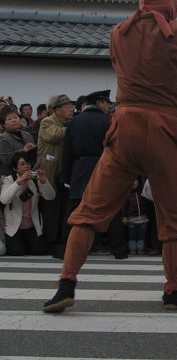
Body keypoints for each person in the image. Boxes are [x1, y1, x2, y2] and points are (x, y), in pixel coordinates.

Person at [42, 0, 177, 313]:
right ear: (167, 8)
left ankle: (66, 283)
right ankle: (171, 291)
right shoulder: (174, 32)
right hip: (162, 129)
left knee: (90, 211)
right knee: (175, 215)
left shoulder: (119, 33)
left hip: (125, 128)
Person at [58, 90, 127, 260]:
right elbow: (117, 148)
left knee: (75, 209)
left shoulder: (74, 122)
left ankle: (65, 248)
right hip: (104, 167)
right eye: (105, 103)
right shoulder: (109, 120)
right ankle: (118, 249)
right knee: (112, 208)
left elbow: (66, 152)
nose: (107, 106)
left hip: (79, 168)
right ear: (99, 103)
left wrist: (66, 177)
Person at [35, 94, 74, 255]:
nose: (71, 109)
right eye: (67, 107)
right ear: (56, 110)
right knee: (51, 210)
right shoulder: (48, 121)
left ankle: (61, 243)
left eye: (71, 106)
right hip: (49, 174)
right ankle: (51, 244)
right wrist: (75, 127)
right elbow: (54, 135)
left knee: (64, 210)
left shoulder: (69, 123)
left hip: (63, 173)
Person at [1, 150, 55, 255]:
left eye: (28, 163)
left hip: (31, 225)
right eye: (22, 164)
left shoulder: (34, 180)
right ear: (15, 168)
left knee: (39, 250)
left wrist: (44, 181)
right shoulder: (9, 180)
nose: (26, 166)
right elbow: (4, 199)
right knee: (17, 251)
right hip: (14, 226)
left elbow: (50, 197)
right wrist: (19, 182)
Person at [0, 106, 36, 177]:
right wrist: (23, 151)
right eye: (9, 119)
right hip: (12, 177)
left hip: (29, 174)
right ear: (4, 124)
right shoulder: (2, 138)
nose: (13, 120)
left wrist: (33, 149)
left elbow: (34, 157)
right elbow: (7, 161)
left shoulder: (27, 134)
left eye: (15, 117)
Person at [122, 178, 148, 255]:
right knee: (132, 236)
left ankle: (140, 248)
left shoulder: (143, 193)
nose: (134, 182)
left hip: (143, 219)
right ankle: (132, 248)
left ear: (139, 182)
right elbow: (124, 207)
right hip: (131, 219)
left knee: (141, 235)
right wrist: (124, 217)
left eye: (135, 180)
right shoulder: (127, 194)